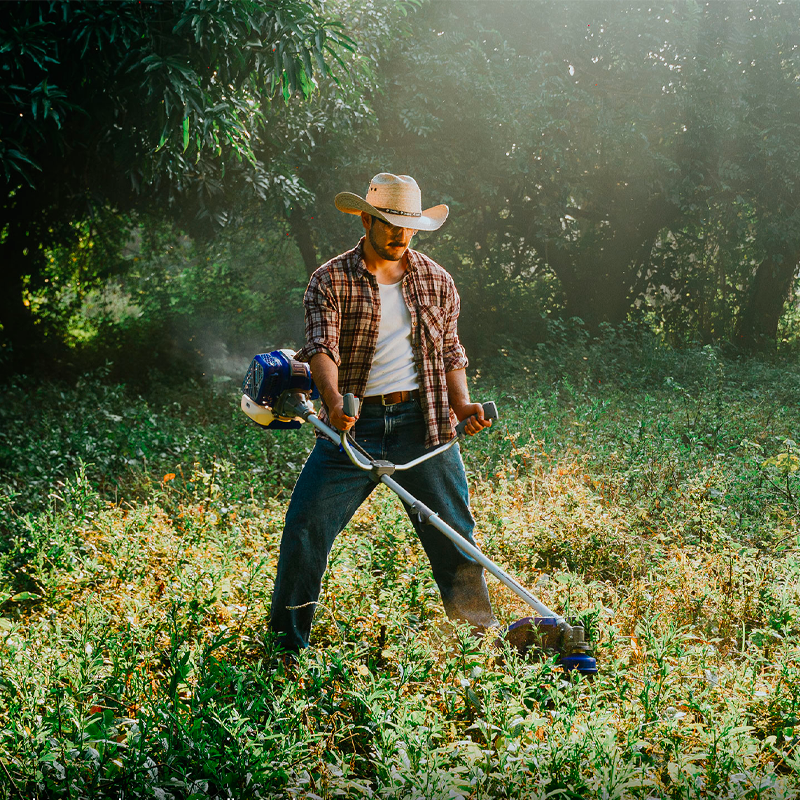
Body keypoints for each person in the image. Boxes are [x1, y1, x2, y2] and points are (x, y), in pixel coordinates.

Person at [269, 172, 498, 652]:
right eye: (391, 223)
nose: (401, 234)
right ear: (366, 218)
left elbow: (451, 352)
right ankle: (286, 650)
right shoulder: (329, 279)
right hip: (354, 427)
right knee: (306, 528)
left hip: (426, 424)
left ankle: (479, 645)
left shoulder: (437, 280)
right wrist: (333, 402)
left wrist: (463, 405)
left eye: (409, 225)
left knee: (455, 536)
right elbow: (320, 346)